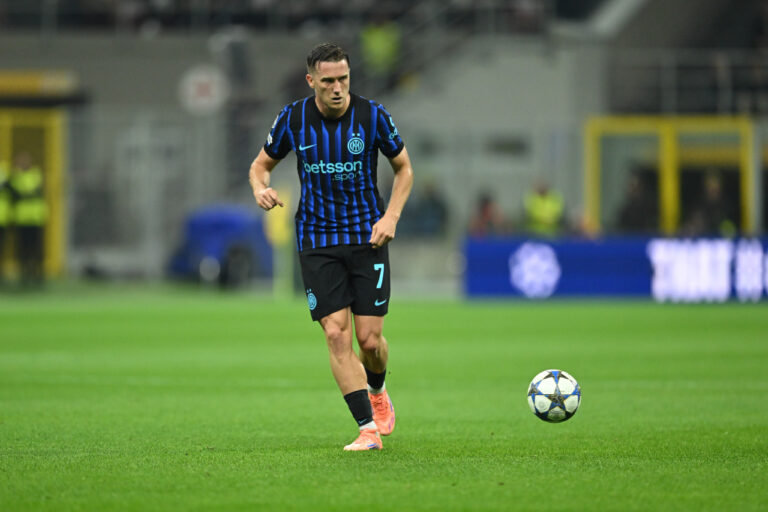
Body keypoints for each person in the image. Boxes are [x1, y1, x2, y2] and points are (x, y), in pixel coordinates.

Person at [249, 43, 414, 451]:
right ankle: (367, 429)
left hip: (367, 238)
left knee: (370, 342)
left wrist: (390, 216)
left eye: (344, 79)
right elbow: (260, 166)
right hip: (317, 241)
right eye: (328, 81)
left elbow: (404, 168)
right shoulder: (292, 119)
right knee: (336, 335)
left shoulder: (373, 116)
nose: (338, 88)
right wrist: (260, 189)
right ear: (312, 82)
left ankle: (377, 390)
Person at [9, 151, 48, 286]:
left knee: (37, 249)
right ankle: (24, 276)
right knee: (23, 250)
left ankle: (37, 275)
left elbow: (31, 192)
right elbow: (15, 195)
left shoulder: (35, 174)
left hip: (36, 218)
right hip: (21, 219)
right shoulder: (15, 176)